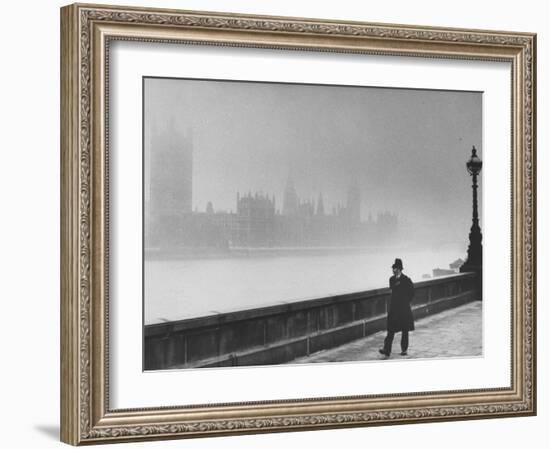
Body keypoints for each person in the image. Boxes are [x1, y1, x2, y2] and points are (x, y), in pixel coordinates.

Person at [379, 258, 415, 357]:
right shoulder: (392, 279)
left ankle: (404, 349)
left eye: (394, 268)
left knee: (405, 330)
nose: (393, 270)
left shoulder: (406, 280)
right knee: (390, 329)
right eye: (393, 268)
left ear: (399, 269)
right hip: (394, 309)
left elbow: (412, 292)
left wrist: (406, 301)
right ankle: (387, 349)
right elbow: (394, 288)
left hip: (404, 309)